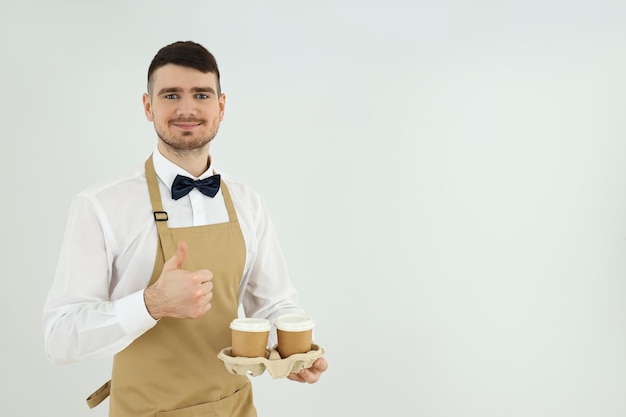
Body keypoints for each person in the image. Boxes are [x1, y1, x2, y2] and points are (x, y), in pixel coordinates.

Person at [42, 40, 328, 417]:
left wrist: (294, 352)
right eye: (171, 94)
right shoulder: (100, 206)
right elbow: (59, 337)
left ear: (221, 107)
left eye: (202, 94)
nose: (187, 108)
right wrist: (151, 303)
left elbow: (274, 303)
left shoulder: (248, 202)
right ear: (148, 106)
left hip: (236, 408)